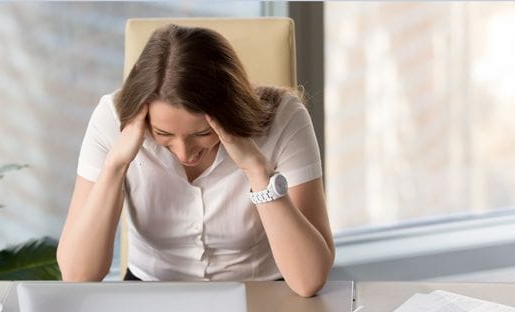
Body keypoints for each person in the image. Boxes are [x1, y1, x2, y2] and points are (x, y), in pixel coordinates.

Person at [57, 24, 334, 297]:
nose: (184, 153)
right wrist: (115, 165)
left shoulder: (285, 117)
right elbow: (78, 275)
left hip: (261, 293)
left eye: (203, 133)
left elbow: (308, 280)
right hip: (151, 293)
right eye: (163, 134)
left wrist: (257, 170)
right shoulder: (111, 119)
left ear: (230, 111)